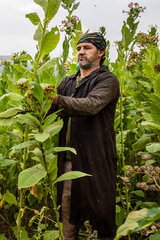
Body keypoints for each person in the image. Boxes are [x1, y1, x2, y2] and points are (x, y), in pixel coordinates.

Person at [51, 32, 119, 239]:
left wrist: (56, 100)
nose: (81, 52)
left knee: (100, 212)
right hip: (69, 162)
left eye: (87, 48)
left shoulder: (107, 80)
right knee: (68, 213)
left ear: (101, 52)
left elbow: (91, 105)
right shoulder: (68, 82)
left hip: (96, 161)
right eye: (79, 48)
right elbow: (51, 113)